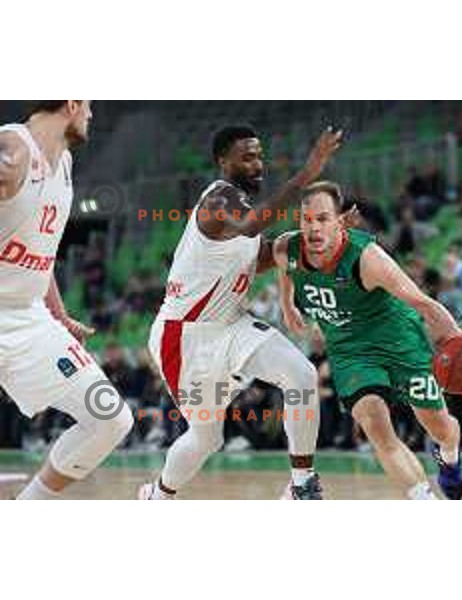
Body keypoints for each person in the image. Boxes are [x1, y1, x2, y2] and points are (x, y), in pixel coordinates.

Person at [138, 125, 342, 500]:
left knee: (301, 375)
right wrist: (308, 174)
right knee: (206, 439)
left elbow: (266, 255)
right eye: (246, 156)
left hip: (232, 325)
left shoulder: (241, 214)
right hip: (186, 338)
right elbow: (254, 224)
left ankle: (301, 485)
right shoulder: (219, 200)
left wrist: (320, 238)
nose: (257, 163)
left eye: (259, 155)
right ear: (222, 162)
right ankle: (159, 495)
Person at [274, 181, 462, 500]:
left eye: (322, 219)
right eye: (306, 219)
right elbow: (284, 270)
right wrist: (287, 304)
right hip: (350, 352)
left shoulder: (367, 259)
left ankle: (449, 453)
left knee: (439, 426)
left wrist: (457, 339)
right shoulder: (286, 249)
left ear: (340, 221)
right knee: (374, 423)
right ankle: (424, 499)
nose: (313, 227)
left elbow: (422, 302)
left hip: (399, 341)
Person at [0, 101, 133, 499]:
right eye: (88, 105)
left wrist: (59, 315)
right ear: (72, 103)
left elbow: (40, 252)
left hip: (28, 318)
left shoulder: (66, 164)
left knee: (110, 417)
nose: (91, 115)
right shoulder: (11, 150)